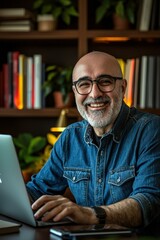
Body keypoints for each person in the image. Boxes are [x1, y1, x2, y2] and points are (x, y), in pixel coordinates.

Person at [26, 51, 160, 229]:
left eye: (105, 82)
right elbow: (36, 191)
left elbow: (149, 202)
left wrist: (89, 214)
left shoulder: (151, 130)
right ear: (75, 92)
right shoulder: (70, 138)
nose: (95, 93)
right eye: (84, 84)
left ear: (123, 87)